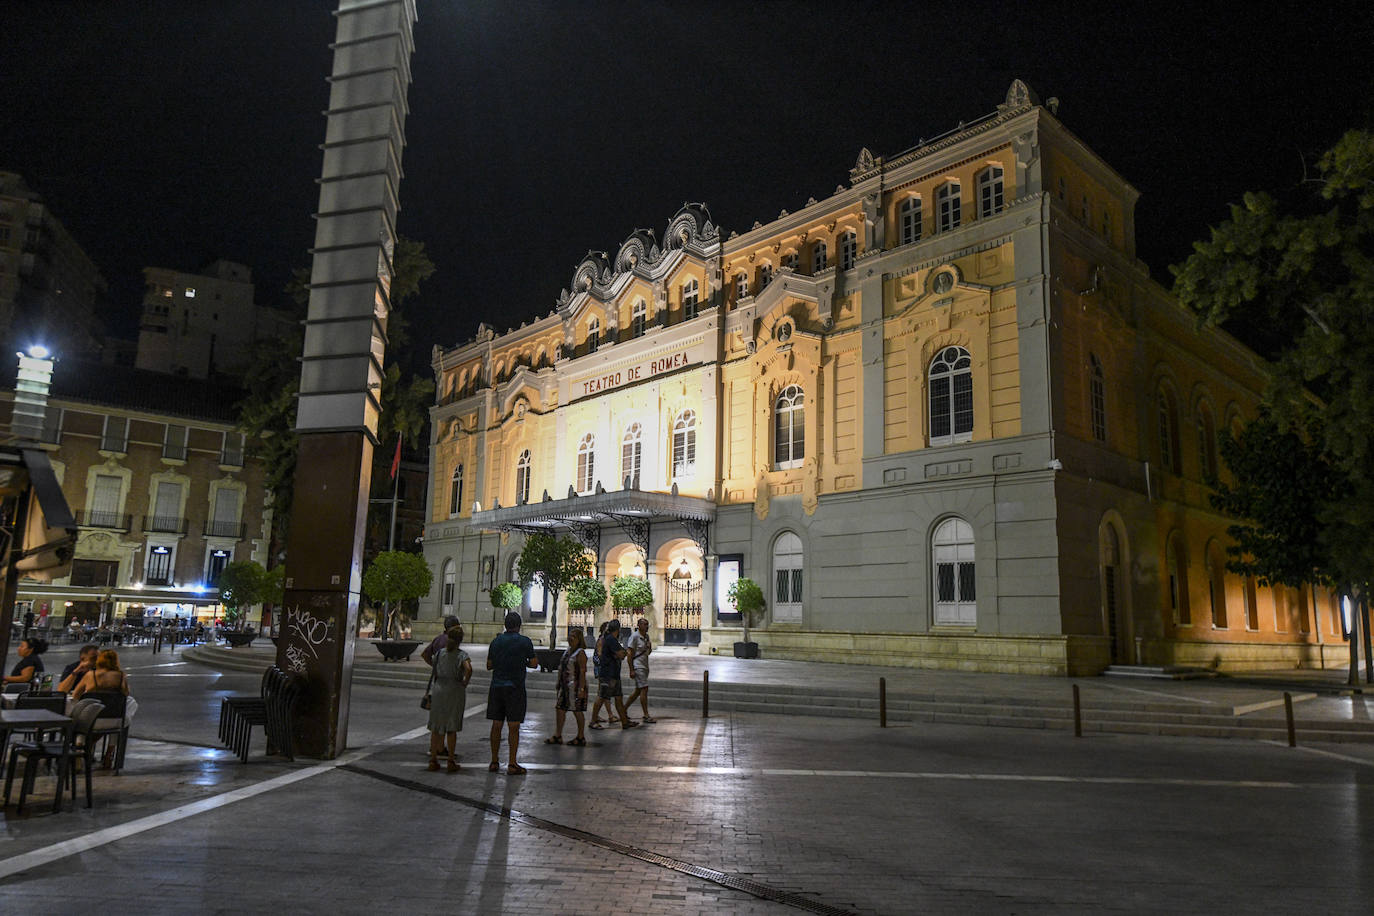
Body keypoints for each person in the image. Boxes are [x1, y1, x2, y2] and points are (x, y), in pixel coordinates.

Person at [485, 611, 537, 775]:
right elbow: (534, 663)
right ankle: (512, 763)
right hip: (515, 688)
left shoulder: (496, 641)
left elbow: (489, 665)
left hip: (497, 686)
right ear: (519, 625)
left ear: (506, 625)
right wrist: (522, 661)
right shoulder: (524, 642)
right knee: (514, 726)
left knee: (496, 724)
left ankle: (494, 761)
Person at [73, 649, 134, 768]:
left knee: (81, 719)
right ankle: (109, 754)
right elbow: (126, 694)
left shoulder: (90, 675)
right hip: (113, 719)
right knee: (121, 715)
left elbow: (76, 695)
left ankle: (79, 751)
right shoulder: (121, 676)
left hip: (92, 720)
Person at [427, 625, 472, 772]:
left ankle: (433, 760)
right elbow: (468, 669)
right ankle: (451, 760)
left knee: (436, 727)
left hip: (439, 689)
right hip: (454, 690)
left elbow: (432, 663)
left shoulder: (440, 653)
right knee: (451, 727)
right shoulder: (461, 655)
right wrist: (465, 681)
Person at [546, 628, 588, 746]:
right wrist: (558, 682)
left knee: (577, 710)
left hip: (574, 686)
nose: (570, 638)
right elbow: (561, 667)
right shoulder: (568, 650)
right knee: (560, 709)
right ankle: (558, 735)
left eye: (574, 636)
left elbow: (583, 671)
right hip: (565, 686)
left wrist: (581, 688)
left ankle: (581, 736)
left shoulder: (580, 653)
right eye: (570, 636)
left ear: (579, 639)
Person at [595, 620, 638, 730]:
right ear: (618, 629)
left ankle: (624, 721)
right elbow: (622, 654)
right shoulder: (610, 640)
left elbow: (621, 653)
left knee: (618, 698)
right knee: (602, 697)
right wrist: (623, 652)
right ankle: (593, 720)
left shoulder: (611, 639)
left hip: (614, 673)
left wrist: (622, 653)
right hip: (608, 674)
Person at [624, 617, 655, 723]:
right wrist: (631, 669)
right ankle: (646, 715)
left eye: (647, 624)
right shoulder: (635, 637)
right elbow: (629, 654)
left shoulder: (646, 637)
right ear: (639, 625)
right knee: (644, 689)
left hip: (645, 666)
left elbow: (647, 652)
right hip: (638, 666)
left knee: (638, 691)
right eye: (644, 624)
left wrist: (649, 648)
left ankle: (623, 709)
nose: (646, 627)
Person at [589, 621, 611, 729]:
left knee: (603, 692)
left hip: (601, 667)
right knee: (602, 692)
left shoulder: (605, 639)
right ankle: (606, 715)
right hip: (601, 667)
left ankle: (600, 715)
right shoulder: (602, 639)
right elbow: (600, 653)